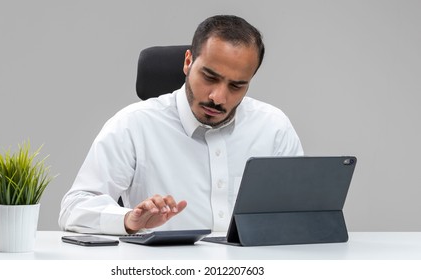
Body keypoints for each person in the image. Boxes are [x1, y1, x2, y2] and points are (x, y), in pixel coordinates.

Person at [59, 15, 303, 235]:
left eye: (236, 86)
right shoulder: (133, 125)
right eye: (209, 77)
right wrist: (129, 220)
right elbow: (74, 208)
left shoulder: (274, 128)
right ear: (188, 62)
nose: (218, 97)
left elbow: (301, 211)